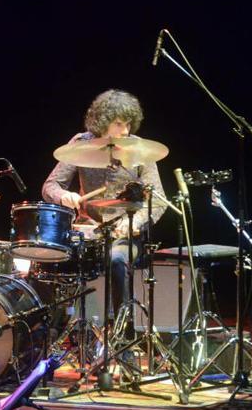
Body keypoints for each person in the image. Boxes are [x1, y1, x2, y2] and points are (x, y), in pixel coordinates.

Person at [42, 89, 166, 319]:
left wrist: (134, 223)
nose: (126, 130)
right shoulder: (80, 143)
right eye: (119, 124)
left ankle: (123, 335)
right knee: (47, 255)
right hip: (87, 232)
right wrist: (63, 196)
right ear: (103, 121)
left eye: (129, 124)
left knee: (117, 259)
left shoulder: (139, 149)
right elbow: (50, 186)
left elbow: (157, 199)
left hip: (126, 232)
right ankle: (55, 329)